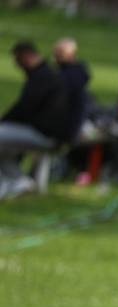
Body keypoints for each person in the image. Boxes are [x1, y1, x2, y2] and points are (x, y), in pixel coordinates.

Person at [0, 41, 70, 198]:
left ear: (26, 56)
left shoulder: (42, 77)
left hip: (45, 134)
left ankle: (15, 180)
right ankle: (15, 180)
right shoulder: (44, 74)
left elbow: (24, 108)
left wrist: (4, 120)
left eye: (18, 60)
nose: (17, 65)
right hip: (44, 131)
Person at [53, 37, 91, 142]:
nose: (55, 57)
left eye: (59, 53)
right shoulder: (76, 74)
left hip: (64, 131)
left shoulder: (66, 77)